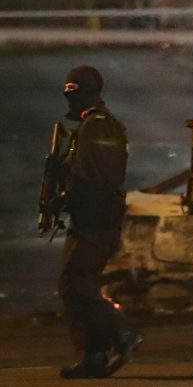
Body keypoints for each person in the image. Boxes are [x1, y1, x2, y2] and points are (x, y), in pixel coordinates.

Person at [56, 66, 142, 379]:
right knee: (75, 284)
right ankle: (94, 355)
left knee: (75, 283)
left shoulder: (98, 125)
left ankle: (121, 332)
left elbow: (97, 177)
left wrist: (68, 196)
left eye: (74, 92)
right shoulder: (91, 125)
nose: (69, 99)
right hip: (90, 217)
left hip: (96, 218)